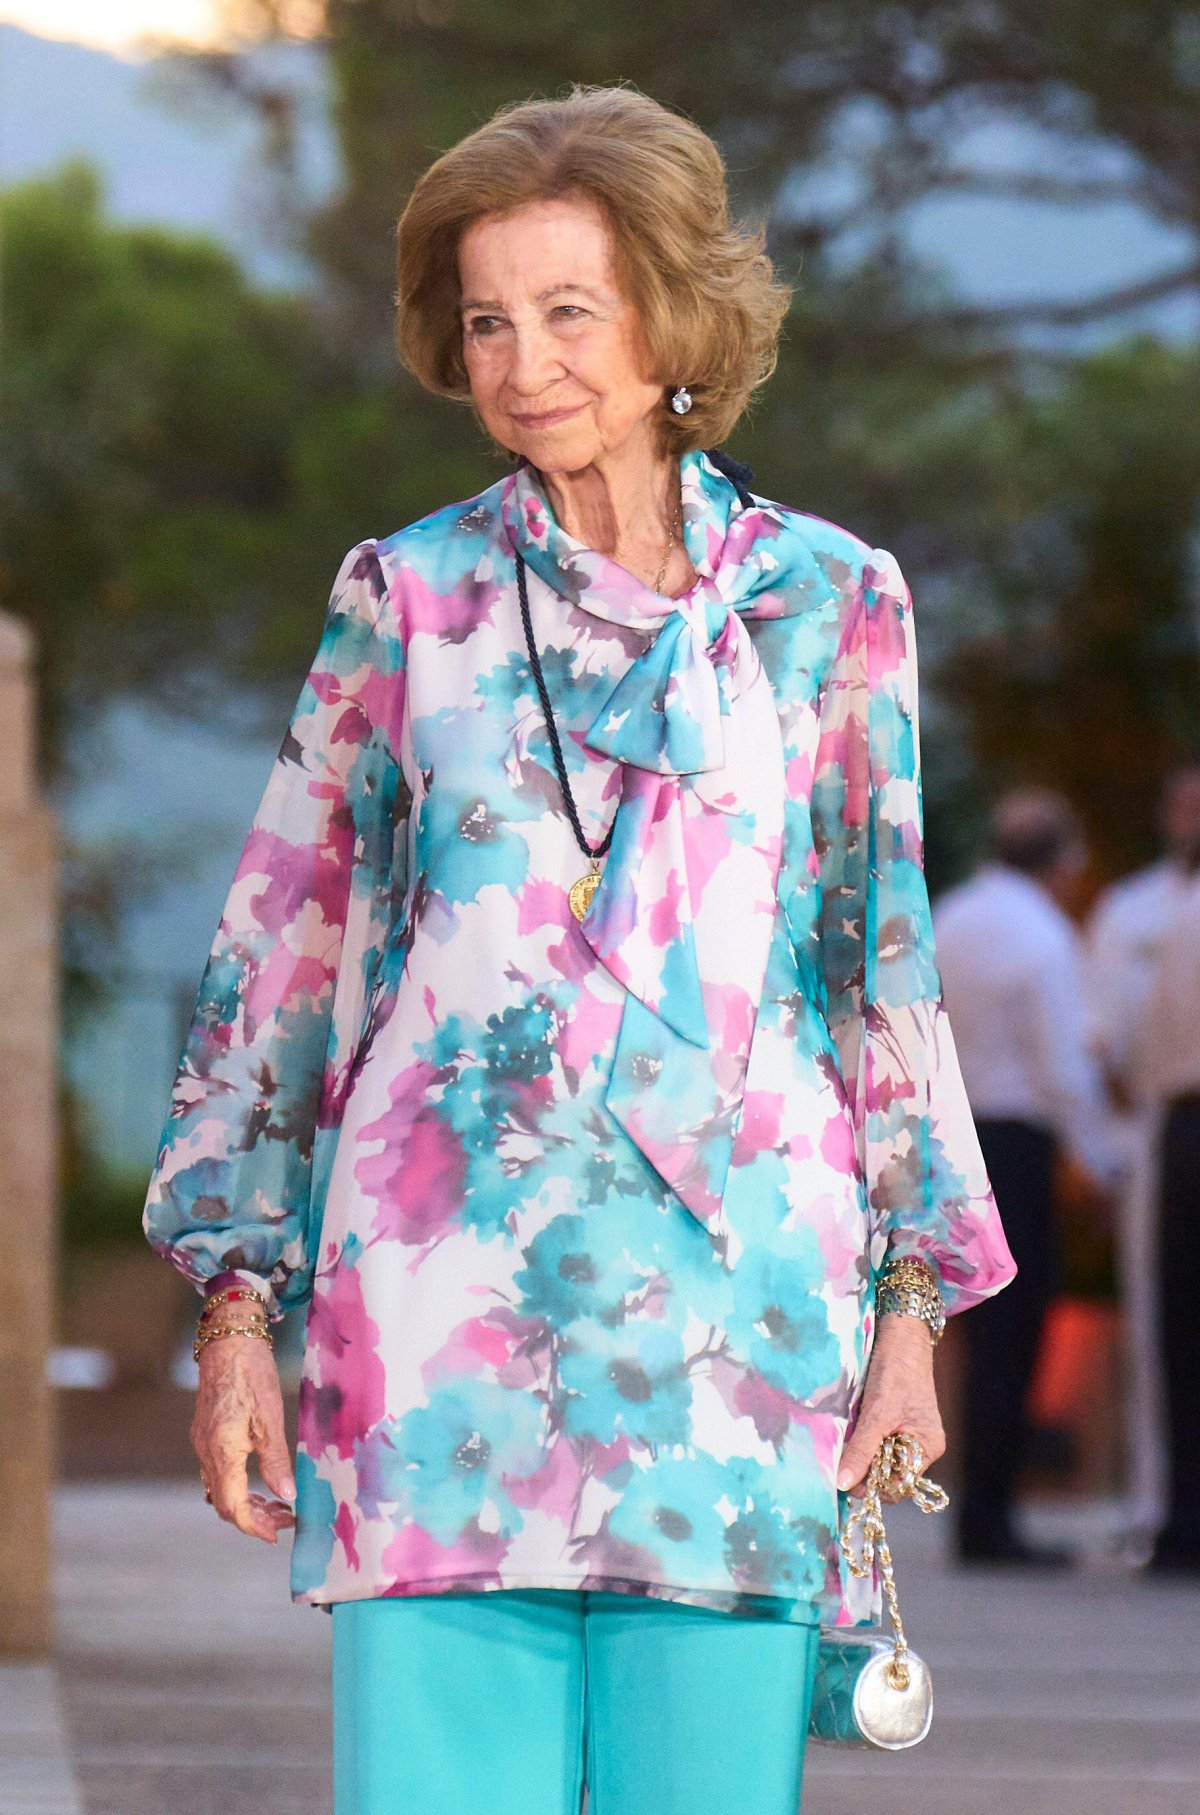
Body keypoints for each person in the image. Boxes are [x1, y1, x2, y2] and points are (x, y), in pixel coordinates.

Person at [142, 85, 1015, 1815]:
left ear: (674, 322)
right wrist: (239, 1311)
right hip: (435, 1325)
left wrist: (911, 1307)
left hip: (742, 1317)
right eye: (486, 319)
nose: (523, 362)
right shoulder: (407, 599)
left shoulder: (836, 604)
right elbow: (278, 965)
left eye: (570, 310)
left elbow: (878, 966)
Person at [934, 789, 1120, 1567]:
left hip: (951, 1133)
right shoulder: (1043, 934)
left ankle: (971, 1511)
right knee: (1015, 1330)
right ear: (1061, 860)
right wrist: (1102, 1159)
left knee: (969, 1331)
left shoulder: (952, 914)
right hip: (1014, 1140)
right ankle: (993, 1517)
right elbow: (1063, 1067)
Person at [1085, 763, 1200, 1545]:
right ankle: (1162, 1503)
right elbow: (1104, 1037)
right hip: (1160, 1125)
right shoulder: (1131, 908)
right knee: (1162, 1329)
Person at [1129, 858, 1200, 1574]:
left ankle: (1184, 1519)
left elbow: (1147, 1038)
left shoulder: (1181, 914)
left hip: (1183, 1125)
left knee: (1181, 1335)